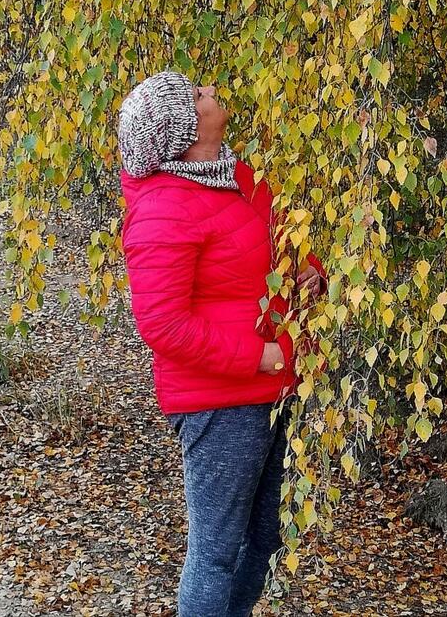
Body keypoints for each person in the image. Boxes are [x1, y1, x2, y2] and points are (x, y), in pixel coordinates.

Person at [117, 69, 327, 617]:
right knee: (216, 553)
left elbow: (280, 243)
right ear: (184, 129)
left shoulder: (234, 175)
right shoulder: (162, 209)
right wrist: (260, 355)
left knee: (263, 541)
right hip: (221, 401)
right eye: (196, 96)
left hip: (272, 388)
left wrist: (309, 271)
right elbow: (162, 323)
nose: (210, 92)